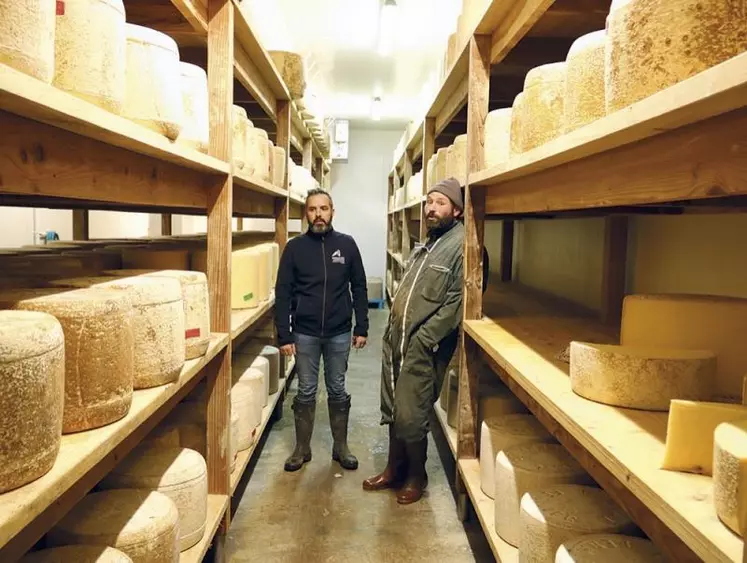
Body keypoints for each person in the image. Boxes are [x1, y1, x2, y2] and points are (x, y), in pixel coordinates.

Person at [363, 177, 465, 504]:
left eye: (440, 203)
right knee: (393, 406)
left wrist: (424, 339)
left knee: (412, 413)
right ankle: (394, 469)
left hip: (422, 346)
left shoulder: (462, 246)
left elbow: (456, 304)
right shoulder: (429, 242)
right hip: (398, 339)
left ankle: (415, 476)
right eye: (429, 202)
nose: (431, 209)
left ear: (457, 210)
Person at [275, 188, 369, 472]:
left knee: (337, 389)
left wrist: (361, 326)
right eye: (313, 209)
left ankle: (341, 448)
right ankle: (302, 449)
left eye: (324, 209)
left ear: (332, 211)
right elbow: (283, 292)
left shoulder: (347, 245)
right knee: (305, 390)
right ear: (306, 213)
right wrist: (284, 333)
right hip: (305, 332)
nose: (319, 215)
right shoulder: (295, 248)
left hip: (339, 331)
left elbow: (360, 287)